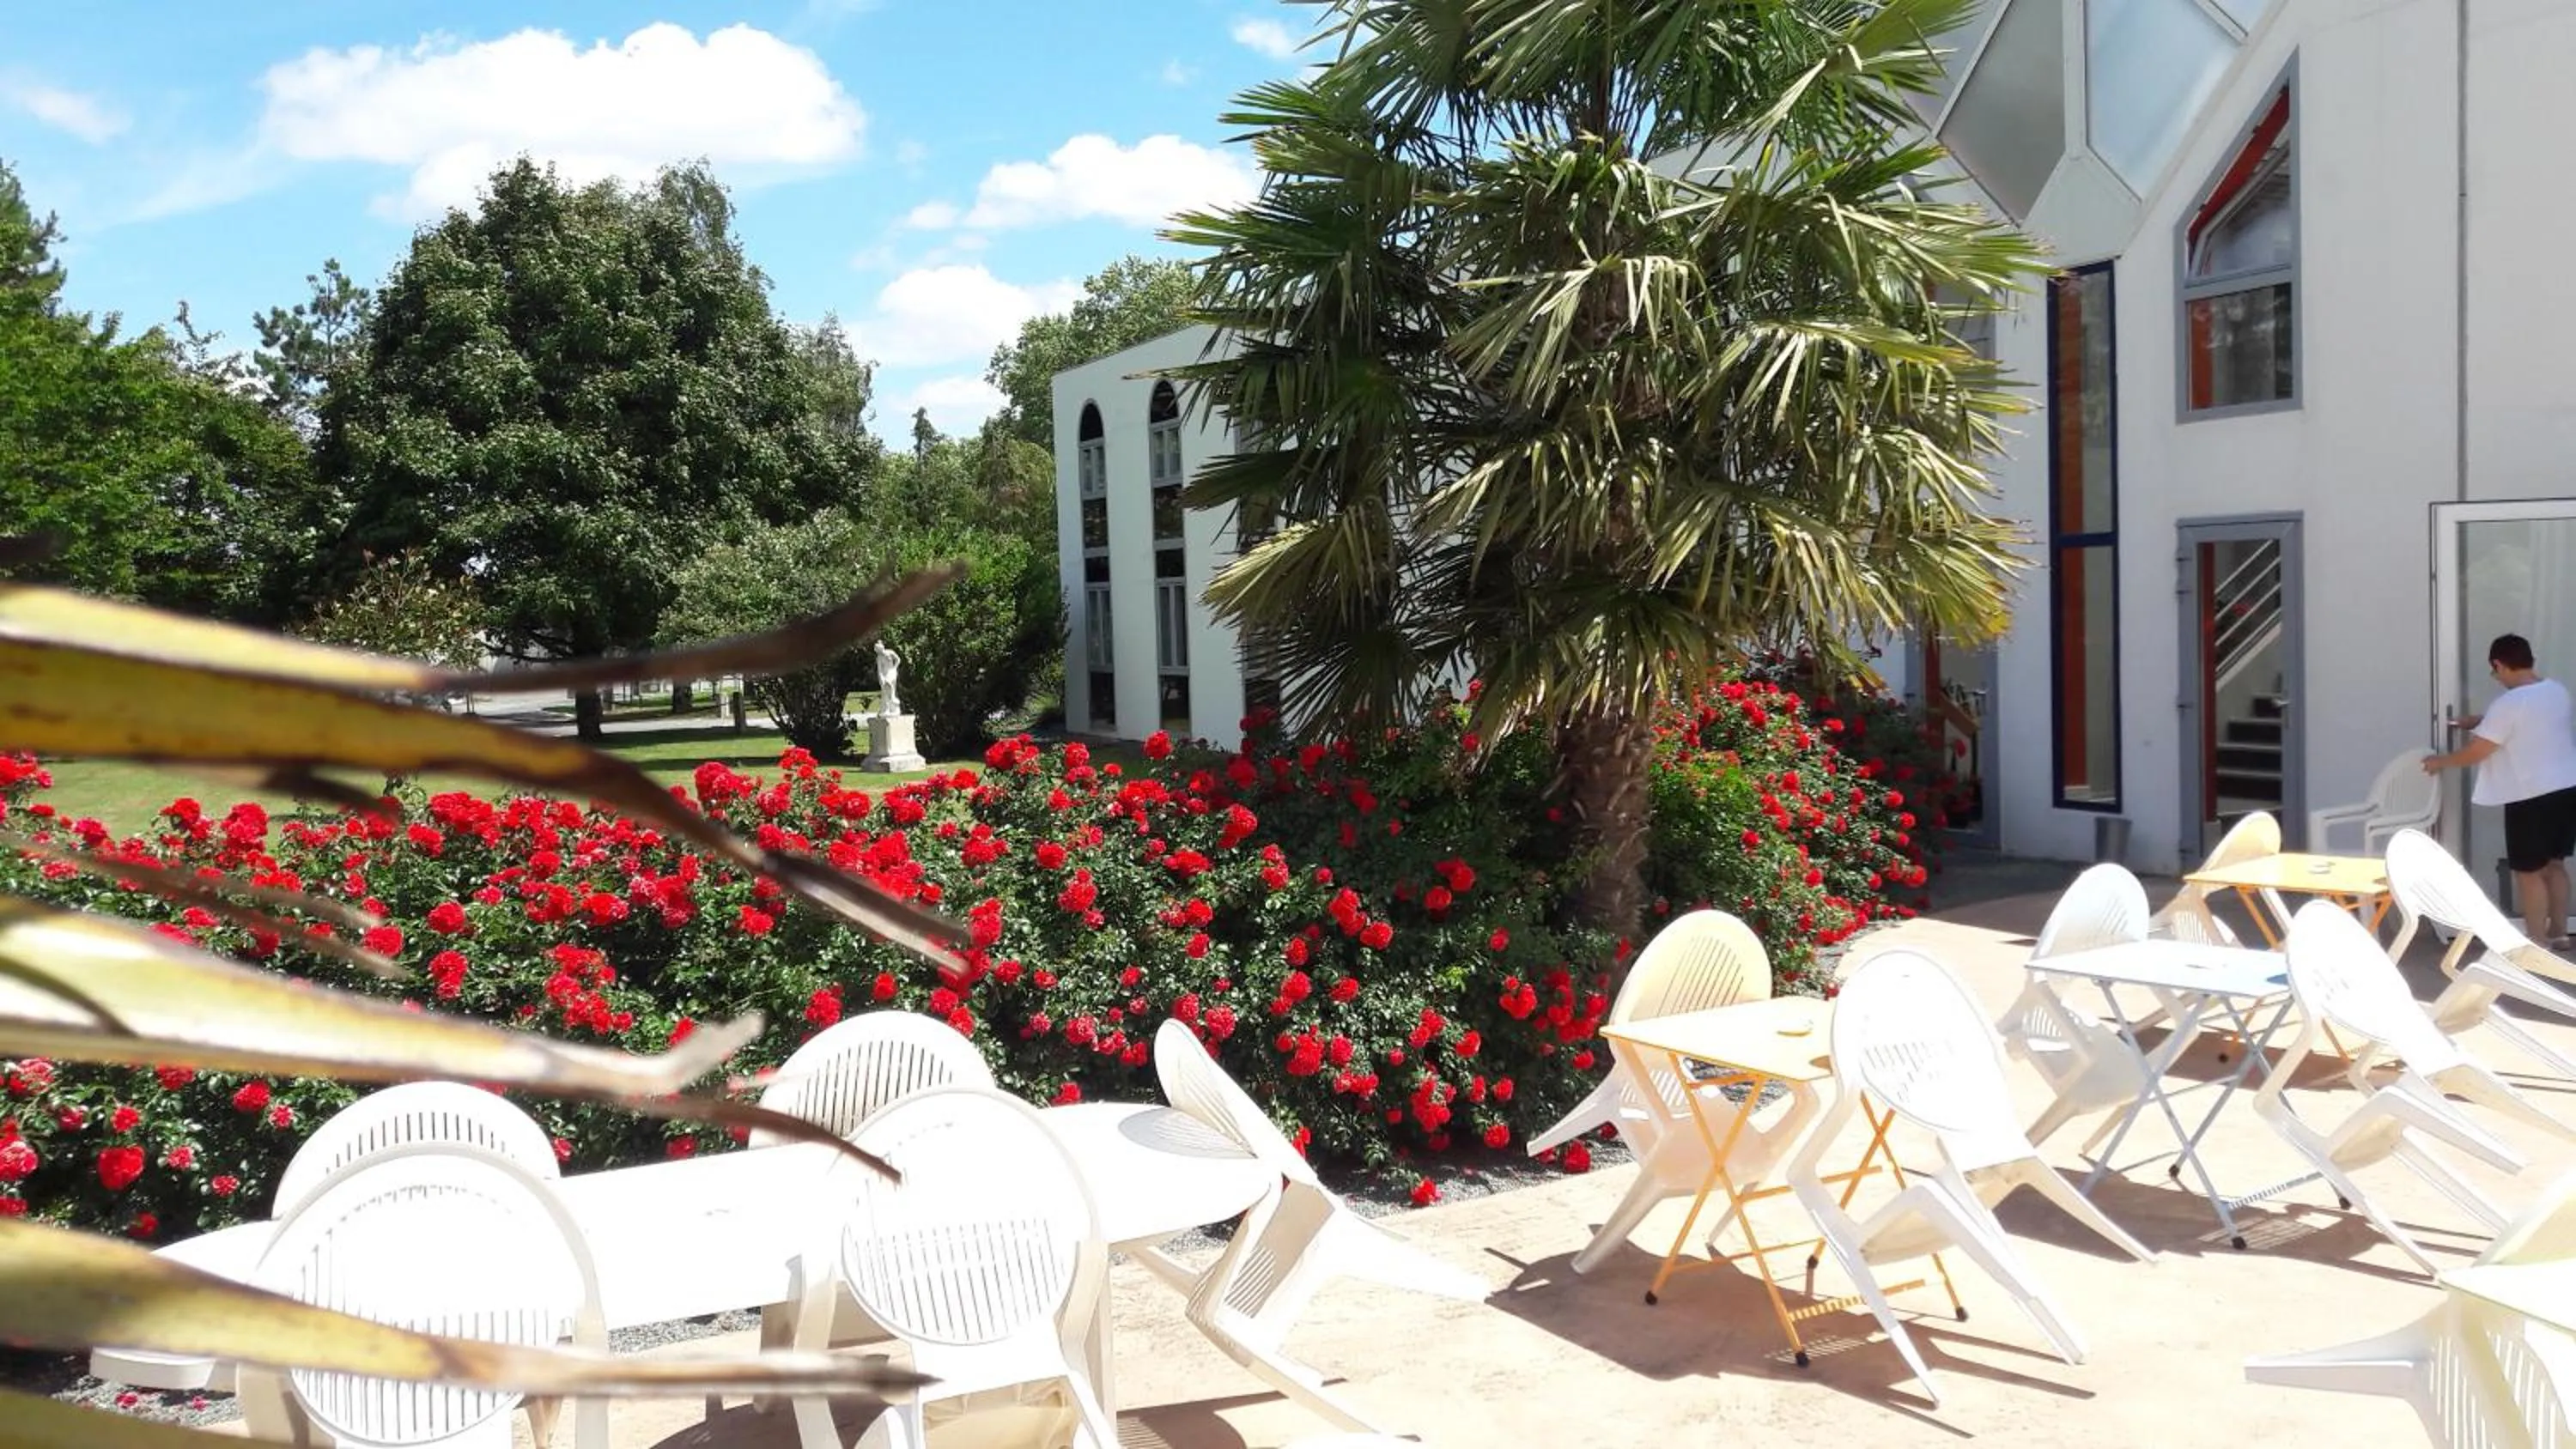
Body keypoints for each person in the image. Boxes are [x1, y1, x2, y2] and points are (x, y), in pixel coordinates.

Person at [2425, 633, 2576, 946]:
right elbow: (2529, 721)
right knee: (2555, 864)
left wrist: (2440, 762)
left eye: (2494, 672)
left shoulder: (2509, 703)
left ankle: (2536, 943)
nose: (2496, 679)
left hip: (2530, 795)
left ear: (2499, 664)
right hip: (2565, 789)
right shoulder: (2556, 691)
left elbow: (2478, 752)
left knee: (2529, 872)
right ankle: (2559, 933)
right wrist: (2480, 721)